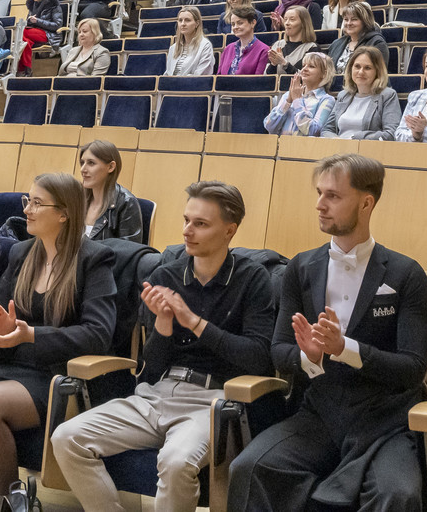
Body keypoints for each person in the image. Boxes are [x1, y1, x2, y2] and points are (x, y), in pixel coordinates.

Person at [53, 180, 273, 512]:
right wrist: (164, 324)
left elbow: (257, 358)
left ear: (230, 230)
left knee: (176, 461)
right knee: (66, 438)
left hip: (214, 400)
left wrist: (194, 322)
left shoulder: (253, 279)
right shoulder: (166, 276)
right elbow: (150, 370)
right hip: (158, 393)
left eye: (200, 224)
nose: (187, 230)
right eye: (186, 220)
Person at [228, 153, 427, 512]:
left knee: (397, 493)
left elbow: (412, 369)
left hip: (384, 422)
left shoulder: (406, 274)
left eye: (333, 196)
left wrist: (344, 348)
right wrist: (311, 357)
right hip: (319, 414)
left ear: (366, 203)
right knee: (249, 467)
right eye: (319, 193)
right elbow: (279, 350)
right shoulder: (301, 267)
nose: (320, 205)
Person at [0, 172, 117, 512]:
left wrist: (31, 334)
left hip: (60, 375)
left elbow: (98, 334)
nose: (26, 210)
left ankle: (11, 503)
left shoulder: (94, 259)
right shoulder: (21, 253)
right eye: (27, 201)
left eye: (36, 203)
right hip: (14, 364)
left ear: (63, 214)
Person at [322, 46, 400, 140]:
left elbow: (391, 134)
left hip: (367, 148)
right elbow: (327, 129)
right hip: (339, 147)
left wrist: (354, 138)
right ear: (351, 68)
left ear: (378, 71)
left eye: (367, 68)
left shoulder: (388, 96)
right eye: (357, 66)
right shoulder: (343, 95)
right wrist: (337, 140)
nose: (361, 72)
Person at [80, 139, 145, 241]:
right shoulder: (77, 198)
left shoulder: (127, 203)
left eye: (91, 163)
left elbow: (128, 249)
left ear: (111, 167)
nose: (83, 169)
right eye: (82, 163)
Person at [263, 52, 337, 136]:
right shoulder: (289, 94)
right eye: (303, 66)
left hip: (305, 144)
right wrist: (288, 102)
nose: (304, 69)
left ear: (324, 74)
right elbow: (269, 126)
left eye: (311, 66)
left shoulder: (327, 99)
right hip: (282, 143)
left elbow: (314, 131)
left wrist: (297, 101)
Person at [266, 5, 317, 79]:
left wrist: (284, 63)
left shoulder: (312, 48)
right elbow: (266, 78)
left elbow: (308, 78)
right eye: (285, 19)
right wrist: (273, 64)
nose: (287, 23)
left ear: (303, 23)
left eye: (292, 20)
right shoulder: (277, 45)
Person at [164, 6, 216, 77]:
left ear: (197, 23)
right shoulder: (173, 48)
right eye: (180, 20)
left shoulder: (205, 46)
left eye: (187, 20)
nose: (183, 24)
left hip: (192, 84)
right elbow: (167, 74)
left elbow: (202, 76)